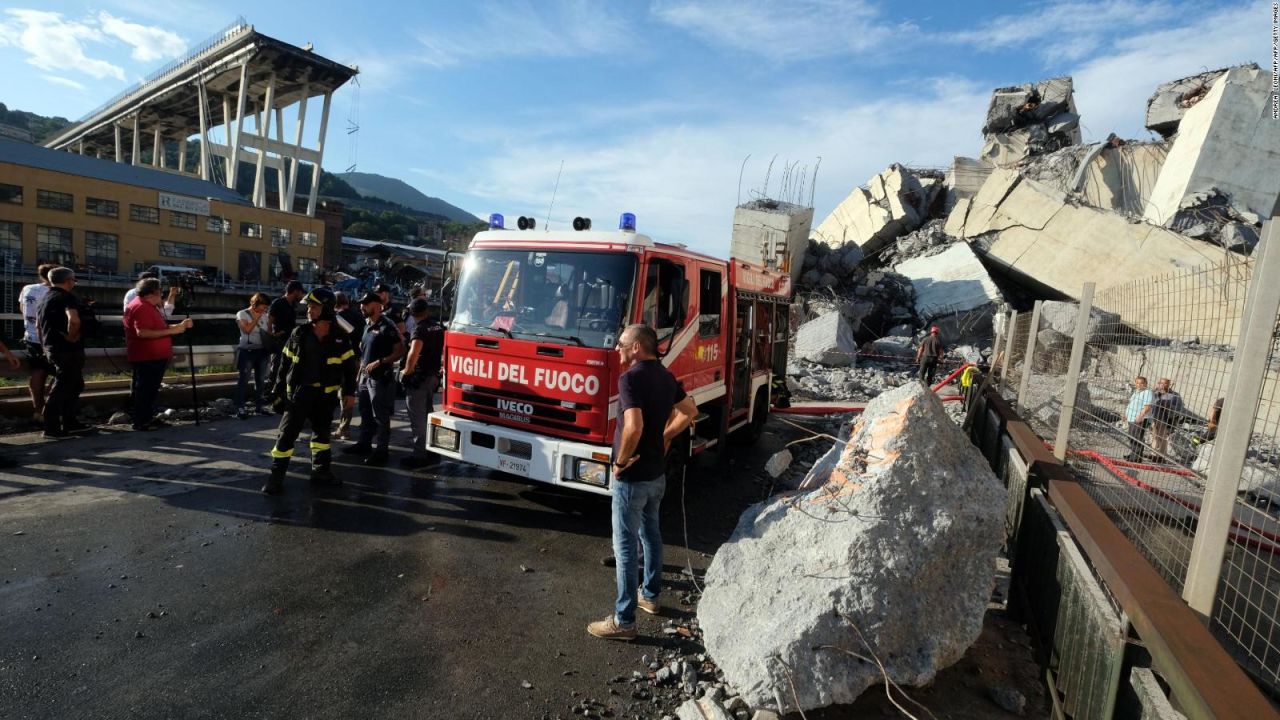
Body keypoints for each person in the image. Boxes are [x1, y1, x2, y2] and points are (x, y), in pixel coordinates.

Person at [588, 324, 698, 642]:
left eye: (621, 343)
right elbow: (689, 411)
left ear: (637, 347)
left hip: (633, 477)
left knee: (624, 550)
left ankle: (624, 622)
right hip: (656, 475)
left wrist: (620, 462)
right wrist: (664, 435)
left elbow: (633, 426)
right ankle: (649, 595)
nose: (617, 348)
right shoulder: (666, 376)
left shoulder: (630, 379)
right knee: (651, 535)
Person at [264, 288, 358, 494]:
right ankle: (275, 479)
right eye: (308, 307)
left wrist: (350, 393)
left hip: (325, 397)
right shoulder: (300, 334)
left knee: (322, 436)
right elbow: (284, 365)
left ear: (326, 309)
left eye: (314, 307)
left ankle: (321, 473)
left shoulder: (340, 337)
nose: (309, 310)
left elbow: (350, 369)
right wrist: (277, 391)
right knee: (286, 436)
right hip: (299, 395)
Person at [123, 279, 193, 431]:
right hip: (148, 356)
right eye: (161, 292)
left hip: (151, 356)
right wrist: (173, 330)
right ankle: (141, 421)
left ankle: (146, 418)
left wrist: (179, 326)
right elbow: (143, 332)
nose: (162, 295)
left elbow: (157, 327)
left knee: (147, 390)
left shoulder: (145, 305)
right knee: (145, 391)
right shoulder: (142, 307)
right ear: (153, 293)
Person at [343, 291, 404, 466]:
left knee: (380, 416)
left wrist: (380, 362)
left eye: (366, 304)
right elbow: (363, 351)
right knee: (365, 413)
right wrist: (359, 372)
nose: (362, 306)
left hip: (379, 378)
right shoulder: (366, 326)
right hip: (364, 377)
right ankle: (364, 443)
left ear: (377, 306)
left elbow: (400, 351)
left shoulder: (387, 327)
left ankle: (381, 450)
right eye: (362, 304)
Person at [37, 267, 91, 438]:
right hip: (68, 350)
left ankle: (70, 422)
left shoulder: (45, 298)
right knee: (63, 386)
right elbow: (74, 320)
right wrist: (71, 337)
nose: (74, 283)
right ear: (69, 281)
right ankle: (52, 427)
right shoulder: (67, 297)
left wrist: (45, 346)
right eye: (74, 280)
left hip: (52, 348)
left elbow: (39, 326)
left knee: (74, 384)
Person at [399, 298, 445, 469]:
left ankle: (419, 455)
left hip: (419, 378)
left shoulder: (419, 328)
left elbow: (414, 352)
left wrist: (406, 371)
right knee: (428, 415)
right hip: (433, 377)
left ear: (412, 313)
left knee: (417, 417)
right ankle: (432, 450)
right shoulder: (438, 326)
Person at [19, 264, 54, 423]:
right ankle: (51, 407)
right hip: (50, 338)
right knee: (65, 373)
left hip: (31, 337)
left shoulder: (28, 288)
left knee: (37, 374)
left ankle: (38, 410)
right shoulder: (54, 292)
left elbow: (22, 308)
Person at [265, 280, 305, 401]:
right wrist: (272, 334)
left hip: (290, 340)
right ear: (295, 291)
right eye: (300, 292)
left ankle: (282, 394)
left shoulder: (292, 304)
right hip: (280, 340)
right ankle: (271, 394)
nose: (301, 295)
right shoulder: (278, 303)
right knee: (276, 367)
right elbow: (269, 319)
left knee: (288, 367)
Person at [332, 291, 365, 439]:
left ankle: (340, 428)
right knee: (349, 392)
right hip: (355, 358)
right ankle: (344, 427)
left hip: (337, 359)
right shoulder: (358, 315)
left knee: (336, 393)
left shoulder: (336, 318)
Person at [234, 293, 272, 417]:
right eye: (263, 306)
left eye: (266, 307)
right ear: (255, 303)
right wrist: (256, 317)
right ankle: (240, 407)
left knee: (261, 380)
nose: (264, 309)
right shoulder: (242, 313)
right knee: (243, 380)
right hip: (247, 351)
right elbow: (246, 330)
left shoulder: (265, 315)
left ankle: (259, 406)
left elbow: (267, 331)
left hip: (262, 351)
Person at [1138, 378, 1182, 462]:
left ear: (1169, 384)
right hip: (1153, 418)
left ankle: (1161, 456)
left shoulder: (1174, 395)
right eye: (1161, 383)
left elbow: (1179, 408)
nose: (1163, 385)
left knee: (1162, 437)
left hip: (1165, 419)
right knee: (1153, 436)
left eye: (1165, 384)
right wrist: (1154, 390)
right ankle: (1154, 454)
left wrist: (1169, 407)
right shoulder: (1154, 393)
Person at [1124, 376, 1154, 462]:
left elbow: (1147, 406)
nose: (1139, 385)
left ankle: (1137, 457)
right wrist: (1126, 414)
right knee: (1131, 436)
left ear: (1145, 384)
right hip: (1131, 417)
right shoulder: (1136, 392)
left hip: (1140, 418)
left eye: (1141, 383)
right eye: (1137, 383)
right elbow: (1131, 404)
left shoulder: (1148, 392)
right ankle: (1134, 454)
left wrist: (1141, 416)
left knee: (1137, 437)